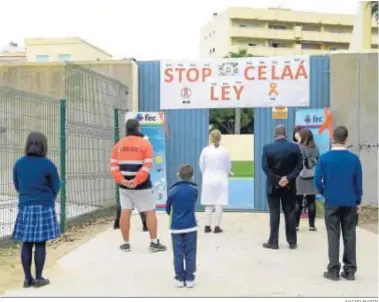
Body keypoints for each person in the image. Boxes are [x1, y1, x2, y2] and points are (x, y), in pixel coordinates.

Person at [109, 118, 166, 252]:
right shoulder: (146, 145)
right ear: (138, 129)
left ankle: (125, 243)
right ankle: (153, 242)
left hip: (124, 187)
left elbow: (113, 166)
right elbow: (147, 166)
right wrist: (136, 180)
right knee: (150, 211)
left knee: (125, 212)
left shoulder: (118, 145)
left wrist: (122, 180)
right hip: (142, 186)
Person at [12, 132, 61, 288]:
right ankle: (39, 278)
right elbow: (56, 186)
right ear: (44, 146)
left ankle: (27, 279)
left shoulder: (19, 164)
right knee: (40, 243)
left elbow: (18, 185)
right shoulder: (48, 165)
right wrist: (50, 197)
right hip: (43, 207)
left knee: (26, 243)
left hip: (25, 207)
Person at [314, 126, 362, 281]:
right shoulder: (354, 159)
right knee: (350, 234)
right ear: (346, 139)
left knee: (333, 235)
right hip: (350, 202)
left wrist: (325, 192)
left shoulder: (324, 158)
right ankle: (350, 270)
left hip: (332, 201)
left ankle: (333, 270)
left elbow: (317, 180)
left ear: (332, 138)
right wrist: (358, 202)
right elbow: (358, 183)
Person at [261, 125, 303, 250]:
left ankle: (273, 242)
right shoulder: (295, 148)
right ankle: (292, 242)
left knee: (274, 213)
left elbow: (265, 167)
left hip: (273, 186)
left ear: (275, 134)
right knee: (289, 212)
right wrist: (288, 178)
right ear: (286, 134)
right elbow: (299, 166)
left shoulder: (267, 148)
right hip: (289, 186)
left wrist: (277, 179)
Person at [166, 164, 198, 288]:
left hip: (175, 227)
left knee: (178, 253)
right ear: (192, 177)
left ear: (178, 175)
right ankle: (190, 278)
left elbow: (168, 208)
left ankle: (179, 278)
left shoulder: (172, 191)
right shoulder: (194, 190)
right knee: (190, 252)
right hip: (191, 226)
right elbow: (194, 201)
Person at [199, 129, 231, 234]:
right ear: (220, 138)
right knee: (219, 203)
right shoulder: (225, 151)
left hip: (208, 179)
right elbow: (228, 166)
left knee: (208, 203)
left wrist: (205, 173)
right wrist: (227, 173)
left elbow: (201, 165)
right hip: (221, 179)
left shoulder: (205, 150)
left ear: (210, 138)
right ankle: (217, 227)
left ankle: (207, 226)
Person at [295, 128, 320, 231]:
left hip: (300, 176)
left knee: (297, 201)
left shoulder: (299, 148)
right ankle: (312, 225)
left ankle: (296, 225)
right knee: (311, 201)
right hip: (312, 177)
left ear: (303, 137)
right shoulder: (315, 148)